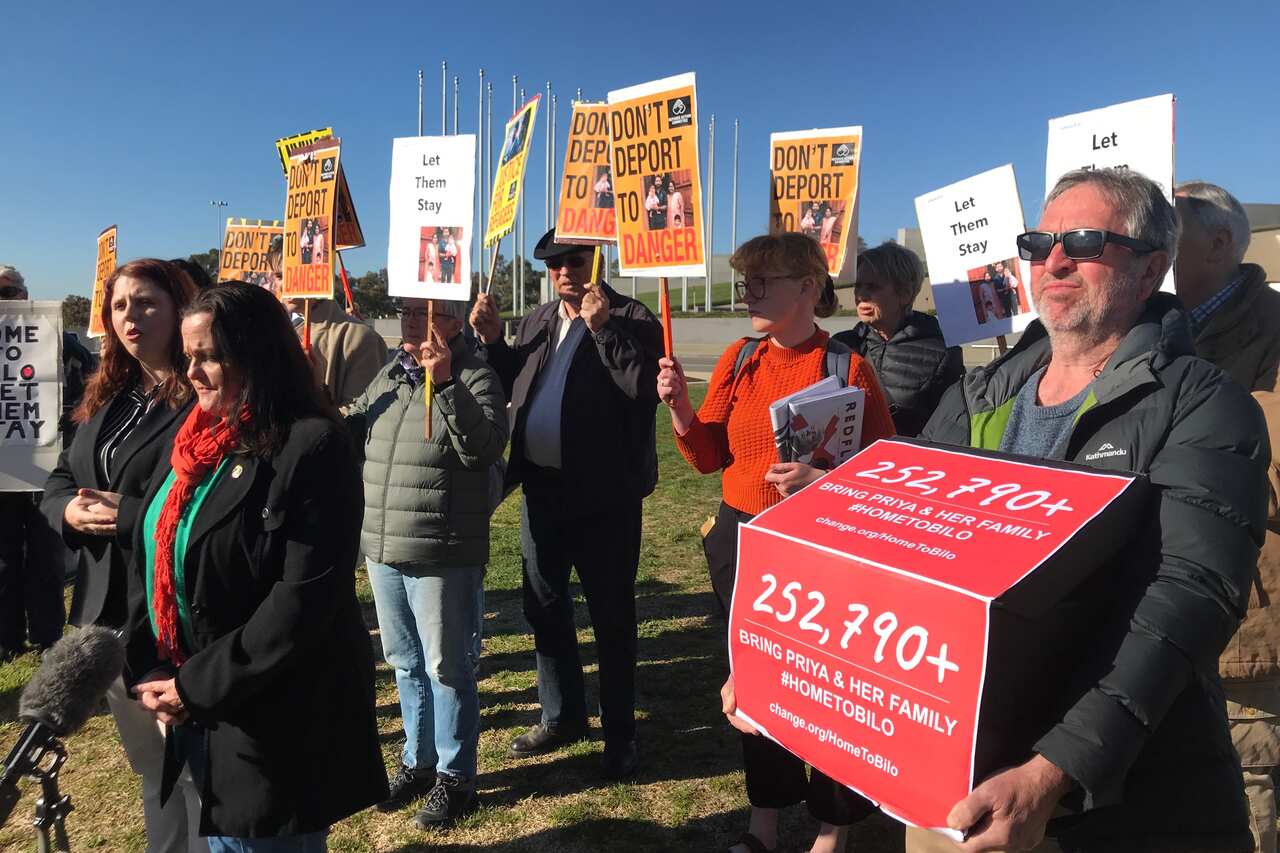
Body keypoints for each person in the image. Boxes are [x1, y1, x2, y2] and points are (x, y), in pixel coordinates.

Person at [904, 168, 1269, 852]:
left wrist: (1055, 771)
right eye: (1040, 242)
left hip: (1119, 796)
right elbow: (900, 545)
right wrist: (787, 668)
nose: (1055, 260)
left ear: (1151, 266)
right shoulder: (974, 398)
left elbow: (1182, 598)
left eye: (1083, 240)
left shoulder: (1204, 402)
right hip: (955, 782)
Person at [125, 282, 388, 851]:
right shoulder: (189, 438)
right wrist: (149, 663)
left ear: (258, 356)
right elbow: (155, 549)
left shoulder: (312, 447)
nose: (192, 372)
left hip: (271, 720)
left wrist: (193, 687)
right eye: (187, 356)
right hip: (194, 711)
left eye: (210, 357)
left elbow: (301, 601)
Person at [660, 232, 896, 853]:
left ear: (809, 288)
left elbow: (883, 477)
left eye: (764, 281)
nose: (750, 293)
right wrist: (683, 408)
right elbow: (709, 457)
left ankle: (831, 827)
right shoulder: (742, 358)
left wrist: (821, 481)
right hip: (742, 540)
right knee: (753, 681)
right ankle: (763, 819)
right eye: (747, 282)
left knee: (826, 684)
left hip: (815, 551)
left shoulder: (846, 367)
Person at [469, 228, 662, 779]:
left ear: (597, 260)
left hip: (606, 497)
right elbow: (509, 380)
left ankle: (619, 731)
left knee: (612, 616)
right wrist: (491, 343)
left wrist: (603, 329)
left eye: (575, 261)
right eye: (555, 265)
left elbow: (643, 389)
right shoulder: (537, 320)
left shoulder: (632, 317)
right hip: (543, 492)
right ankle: (562, 713)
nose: (565, 273)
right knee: (544, 605)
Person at [41, 259, 202, 852]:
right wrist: (66, 509)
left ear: (180, 308)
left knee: (186, 769)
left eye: (147, 303)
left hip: (165, 616)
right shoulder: (111, 392)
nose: (131, 317)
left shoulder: (203, 397)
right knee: (151, 769)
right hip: (102, 618)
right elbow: (62, 472)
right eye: (120, 306)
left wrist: (127, 512)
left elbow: (207, 507)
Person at [346, 297, 507, 829]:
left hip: (442, 549)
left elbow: (482, 451)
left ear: (453, 321)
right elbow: (351, 425)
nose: (411, 322)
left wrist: (448, 386)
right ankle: (418, 762)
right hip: (384, 546)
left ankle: (457, 778)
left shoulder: (476, 377)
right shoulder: (391, 372)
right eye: (407, 312)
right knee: (404, 661)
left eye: (424, 312)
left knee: (447, 667)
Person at [1175, 179, 1280, 853]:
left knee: (1246, 789)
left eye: (1169, 226)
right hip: (1172, 609)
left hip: (1246, 610)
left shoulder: (1272, 333)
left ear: (1220, 243)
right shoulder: (1160, 329)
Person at [0, 265, 71, 659]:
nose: (2, 301)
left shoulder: (57, 342)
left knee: (47, 555)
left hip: (50, 467)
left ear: (24, 296)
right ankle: (6, 639)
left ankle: (47, 637)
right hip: (3, 471)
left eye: (8, 292)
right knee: (3, 558)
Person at [834, 242, 963, 437]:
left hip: (906, 463)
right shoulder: (841, 346)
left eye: (872, 287)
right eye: (857, 285)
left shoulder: (942, 351)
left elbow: (950, 428)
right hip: (850, 464)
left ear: (905, 293)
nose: (860, 295)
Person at [264, 240, 387, 409]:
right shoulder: (271, 331)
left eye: (293, 273)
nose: (285, 285)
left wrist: (316, 388)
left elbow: (360, 417)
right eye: (279, 276)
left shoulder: (360, 337)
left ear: (316, 272)